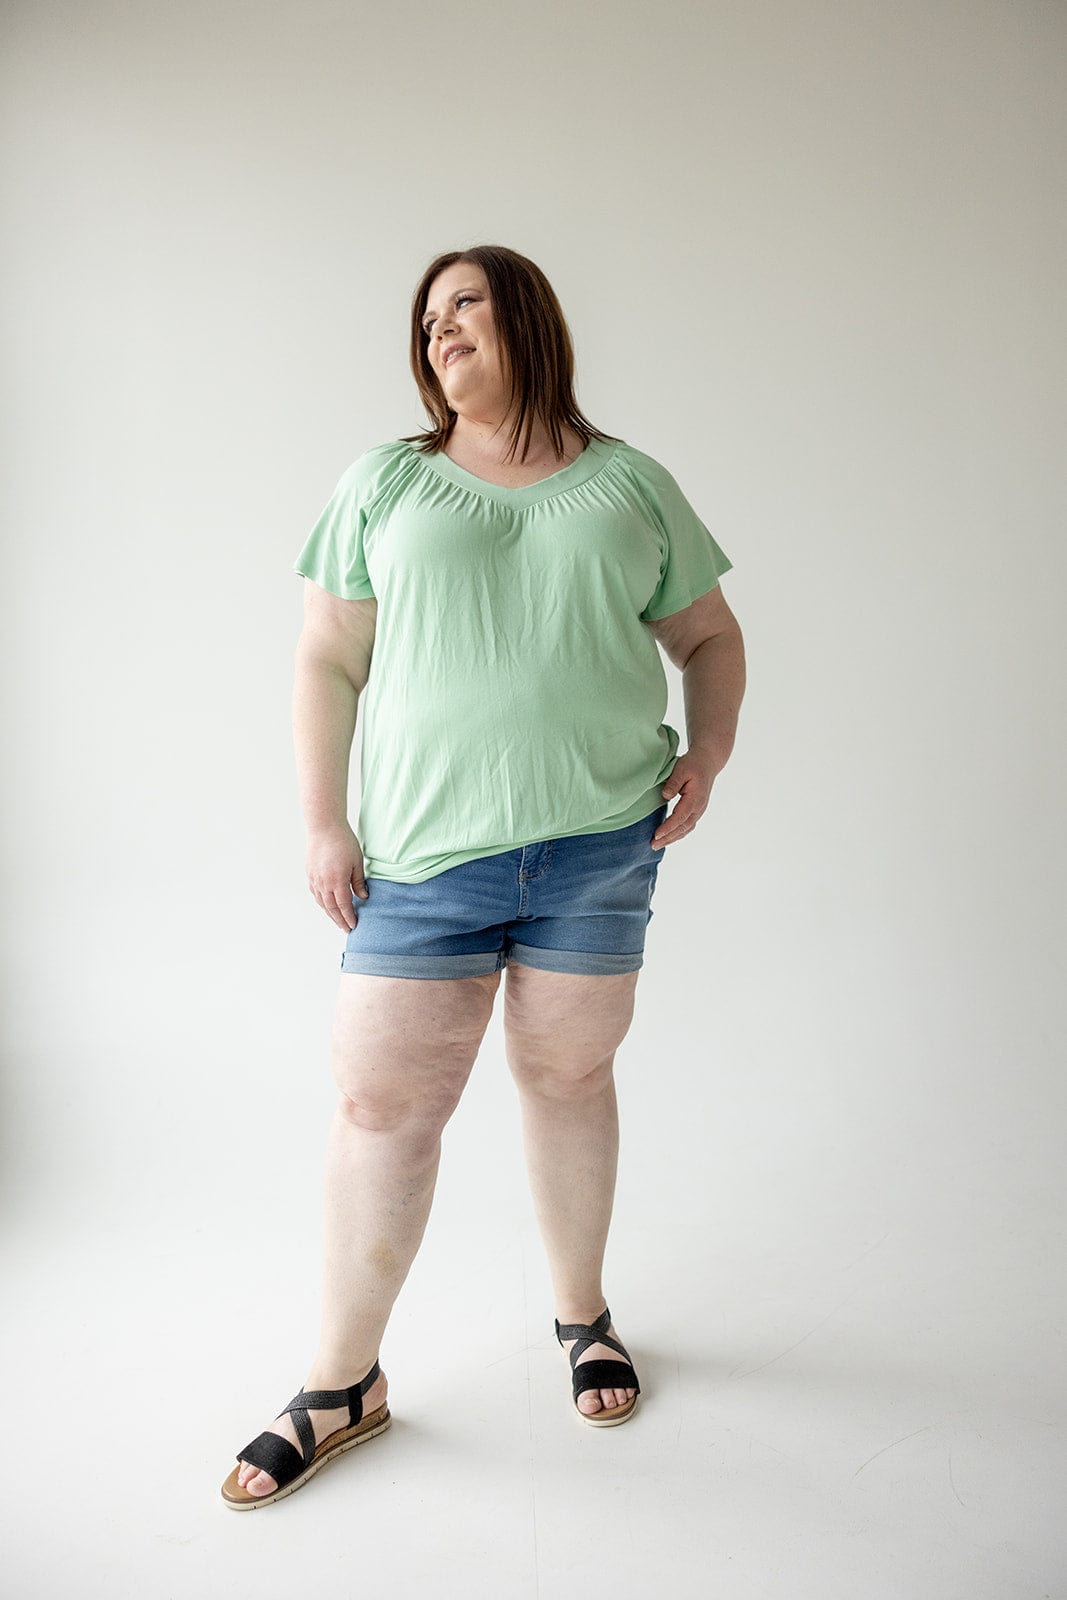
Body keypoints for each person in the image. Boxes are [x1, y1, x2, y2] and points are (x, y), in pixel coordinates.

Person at [221, 244, 746, 1508]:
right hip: (418, 855)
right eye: (426, 315)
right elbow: (324, 660)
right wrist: (320, 822)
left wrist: (711, 752)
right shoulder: (385, 482)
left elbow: (710, 635)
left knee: (568, 1076)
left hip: (598, 845)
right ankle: (343, 1382)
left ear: (527, 319)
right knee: (379, 1109)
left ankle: (580, 1316)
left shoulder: (630, 484)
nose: (438, 327)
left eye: (464, 303)